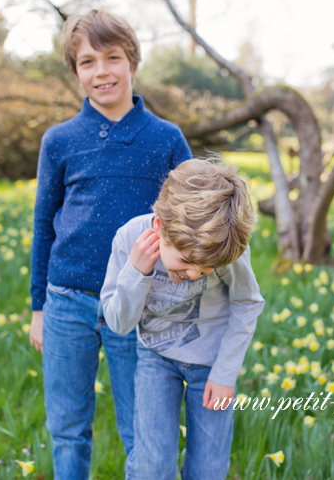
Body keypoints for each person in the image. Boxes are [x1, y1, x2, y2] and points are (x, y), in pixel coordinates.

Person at [29, 10, 192, 480]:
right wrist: (39, 306)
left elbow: (189, 217)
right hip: (66, 302)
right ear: (75, 72)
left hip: (137, 304)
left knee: (141, 430)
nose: (101, 71)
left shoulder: (165, 138)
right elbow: (44, 226)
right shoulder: (59, 140)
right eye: (87, 62)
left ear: (133, 63)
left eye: (112, 58)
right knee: (67, 427)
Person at [101, 158, 265, 480]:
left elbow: (247, 301)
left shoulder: (223, 246)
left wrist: (225, 374)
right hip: (156, 358)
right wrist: (137, 273)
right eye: (187, 261)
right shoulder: (128, 239)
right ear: (160, 227)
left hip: (213, 365)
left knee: (209, 469)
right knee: (152, 467)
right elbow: (118, 324)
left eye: (206, 271)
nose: (194, 274)